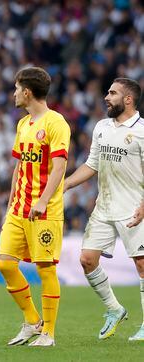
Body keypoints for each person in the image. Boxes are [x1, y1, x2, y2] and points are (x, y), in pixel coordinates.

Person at [64, 77, 144, 342]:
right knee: (87, 260)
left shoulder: (142, 130)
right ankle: (114, 309)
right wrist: (66, 185)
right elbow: (92, 164)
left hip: (134, 208)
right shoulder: (102, 127)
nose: (106, 97)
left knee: (142, 265)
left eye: (112, 93)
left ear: (128, 99)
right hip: (105, 206)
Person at [0, 67, 70, 347]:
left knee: (45, 268)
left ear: (27, 92)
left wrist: (42, 201)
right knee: (5, 263)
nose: (14, 93)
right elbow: (19, 166)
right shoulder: (23, 124)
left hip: (45, 210)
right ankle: (31, 320)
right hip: (18, 209)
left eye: (16, 88)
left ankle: (48, 333)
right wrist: (10, 203)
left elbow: (60, 165)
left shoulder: (56, 123)